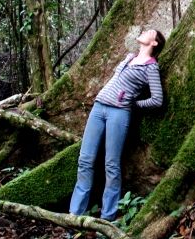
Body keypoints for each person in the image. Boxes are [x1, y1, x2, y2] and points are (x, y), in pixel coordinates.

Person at [69, 28, 165, 221]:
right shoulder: (129, 57)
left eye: (149, 32)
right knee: (85, 160)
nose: (144, 32)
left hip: (118, 113)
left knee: (111, 164)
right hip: (98, 107)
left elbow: (157, 99)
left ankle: (108, 217)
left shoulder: (151, 67)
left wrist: (134, 103)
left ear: (154, 43)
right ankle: (75, 213)